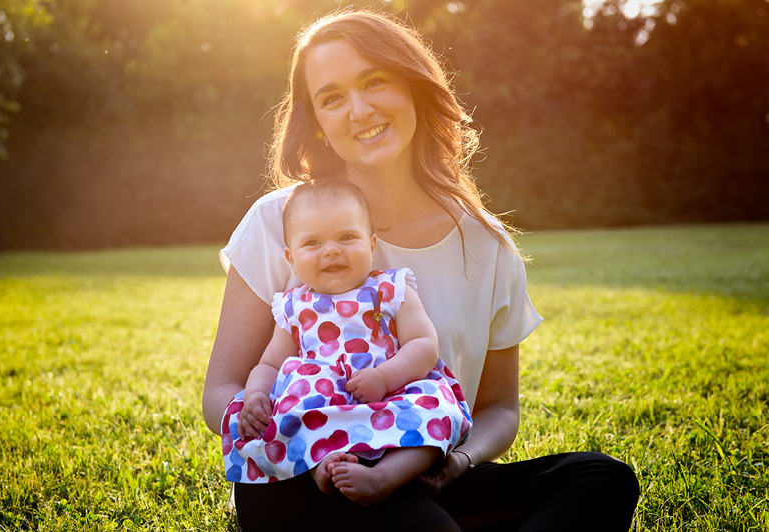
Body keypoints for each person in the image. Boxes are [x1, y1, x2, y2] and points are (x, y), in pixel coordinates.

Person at [202, 8, 640, 532]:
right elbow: (221, 388)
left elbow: (499, 407)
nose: (359, 109)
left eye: (374, 81)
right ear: (316, 121)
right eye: (332, 97)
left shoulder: (486, 246)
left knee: (600, 479)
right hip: (310, 470)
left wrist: (457, 461)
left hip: (422, 463)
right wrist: (292, 436)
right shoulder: (279, 224)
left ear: (412, 86)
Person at [222, 178, 472, 507]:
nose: (331, 250)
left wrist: (385, 377)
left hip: (391, 392)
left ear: (371, 244)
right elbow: (270, 363)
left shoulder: (390, 289)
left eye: (347, 237)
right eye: (312, 243)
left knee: (434, 408)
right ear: (291, 258)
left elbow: (424, 343)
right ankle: (321, 467)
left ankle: (386, 476)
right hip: (323, 400)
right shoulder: (293, 306)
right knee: (291, 411)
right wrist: (255, 395)